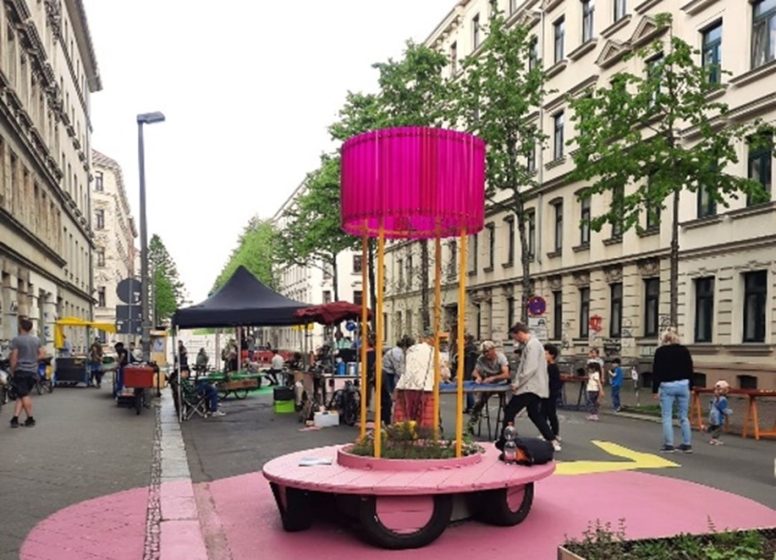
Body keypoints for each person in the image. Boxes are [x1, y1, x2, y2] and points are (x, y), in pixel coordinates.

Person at [503, 323, 561, 452]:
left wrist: (518, 383)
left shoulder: (532, 345)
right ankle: (552, 440)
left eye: (515, 337)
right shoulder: (533, 344)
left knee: (510, 410)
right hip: (534, 386)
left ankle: (506, 439)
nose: (515, 340)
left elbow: (529, 368)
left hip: (529, 386)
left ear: (519, 333)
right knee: (534, 414)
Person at [652, 328, 694, 453]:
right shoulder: (684, 350)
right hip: (683, 385)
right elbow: (690, 369)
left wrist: (655, 389)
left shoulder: (660, 352)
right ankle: (687, 444)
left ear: (664, 339)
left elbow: (656, 371)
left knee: (667, 416)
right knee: (683, 416)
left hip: (667, 386)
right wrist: (691, 386)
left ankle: (669, 445)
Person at [394, 331, 437, 428]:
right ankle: (423, 435)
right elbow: (442, 370)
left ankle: (404, 433)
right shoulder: (433, 351)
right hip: (425, 386)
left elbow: (403, 367)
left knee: (405, 415)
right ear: (432, 340)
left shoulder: (411, 350)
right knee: (423, 415)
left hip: (405, 385)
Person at [467, 341, 510, 433]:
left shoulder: (500, 357)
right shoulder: (481, 359)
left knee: (507, 405)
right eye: (484, 352)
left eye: (487, 351)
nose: (486, 354)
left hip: (501, 383)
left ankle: (509, 427)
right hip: (488, 384)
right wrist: (478, 377)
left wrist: (493, 378)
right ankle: (470, 424)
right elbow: (474, 371)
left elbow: (506, 374)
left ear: (493, 350)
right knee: (479, 402)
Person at [9, 318, 44, 428]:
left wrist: (12, 369)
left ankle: (30, 418)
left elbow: (14, 357)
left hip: (21, 371)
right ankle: (14, 419)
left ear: (21, 327)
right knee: (21, 395)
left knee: (24, 395)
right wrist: (34, 360)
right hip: (32, 371)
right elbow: (42, 354)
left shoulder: (17, 340)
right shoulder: (36, 340)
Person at [542, 344, 562, 441]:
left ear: (552, 355)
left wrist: (553, 392)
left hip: (550, 394)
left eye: (546, 354)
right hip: (545, 393)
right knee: (544, 414)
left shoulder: (553, 367)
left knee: (551, 414)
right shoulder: (547, 366)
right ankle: (546, 432)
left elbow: (555, 382)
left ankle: (555, 433)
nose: (543, 356)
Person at [707, 380, 732, 445]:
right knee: (719, 427)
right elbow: (723, 409)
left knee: (714, 425)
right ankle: (714, 439)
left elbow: (710, 405)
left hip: (712, 414)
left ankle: (706, 429)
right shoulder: (723, 399)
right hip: (718, 416)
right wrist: (729, 412)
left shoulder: (714, 398)